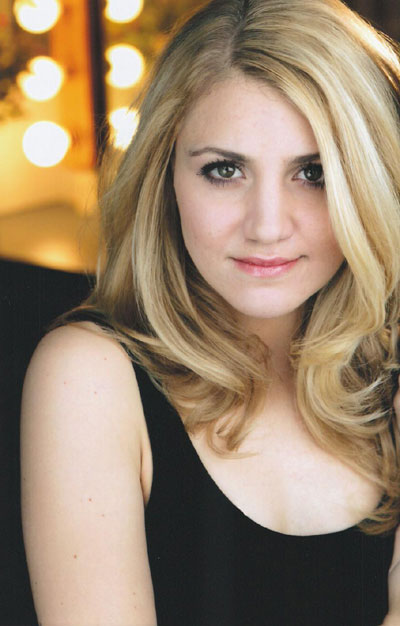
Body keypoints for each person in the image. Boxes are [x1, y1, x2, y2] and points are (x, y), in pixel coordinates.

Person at [21, 0, 400, 624]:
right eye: (224, 170)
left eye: (313, 172)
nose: (267, 226)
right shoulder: (90, 378)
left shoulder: (386, 371)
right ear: (165, 175)